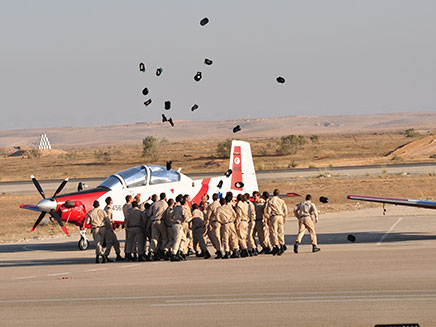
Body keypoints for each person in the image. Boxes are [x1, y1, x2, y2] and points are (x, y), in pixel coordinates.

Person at [264, 189, 288, 256]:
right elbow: (285, 210)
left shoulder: (270, 201)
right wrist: (284, 217)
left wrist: (268, 218)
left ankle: (276, 245)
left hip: (274, 216)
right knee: (281, 231)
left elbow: (267, 211)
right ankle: (282, 245)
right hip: (280, 216)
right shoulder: (281, 200)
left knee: (274, 232)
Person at [217, 194, 240, 259]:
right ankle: (235, 250)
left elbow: (217, 218)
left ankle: (227, 251)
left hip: (225, 224)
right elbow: (235, 215)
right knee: (233, 237)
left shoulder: (219, 209)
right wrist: (233, 220)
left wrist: (221, 221)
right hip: (231, 223)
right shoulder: (229, 207)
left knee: (225, 238)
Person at [148, 192, 169, 261]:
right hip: (161, 221)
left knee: (154, 238)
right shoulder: (165, 204)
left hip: (154, 221)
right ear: (165, 197)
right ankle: (163, 250)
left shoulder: (154, 204)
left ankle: (151, 251)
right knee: (164, 237)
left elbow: (149, 214)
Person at [170, 196, 192, 262]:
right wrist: (192, 217)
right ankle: (173, 254)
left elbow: (171, 216)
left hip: (174, 224)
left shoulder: (175, 208)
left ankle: (180, 251)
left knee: (184, 238)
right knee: (177, 240)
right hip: (179, 225)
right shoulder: (183, 208)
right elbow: (187, 219)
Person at [103, 197, 123, 262]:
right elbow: (108, 219)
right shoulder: (108, 209)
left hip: (109, 227)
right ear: (110, 201)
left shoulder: (106, 208)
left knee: (115, 242)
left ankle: (118, 254)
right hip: (109, 228)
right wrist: (112, 223)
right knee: (109, 242)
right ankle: (106, 255)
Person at [206, 193, 222, 259]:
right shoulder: (220, 204)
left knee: (216, 237)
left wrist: (208, 223)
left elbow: (208, 216)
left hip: (215, 222)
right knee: (221, 237)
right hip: (221, 222)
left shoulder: (211, 206)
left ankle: (219, 250)